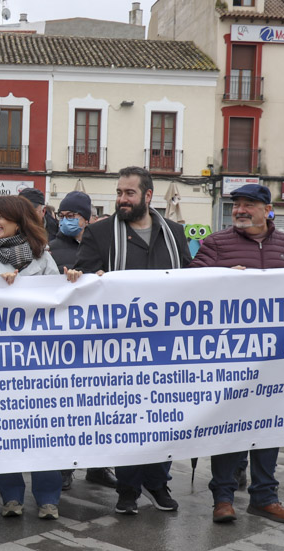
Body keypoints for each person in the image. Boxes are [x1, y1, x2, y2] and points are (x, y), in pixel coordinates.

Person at [74, 167, 191, 515]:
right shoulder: (99, 232)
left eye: (129, 193)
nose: (122, 199)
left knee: (163, 417)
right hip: (120, 347)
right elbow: (82, 280)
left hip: (166, 345)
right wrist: (91, 279)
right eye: (119, 192)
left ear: (148, 196)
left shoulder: (174, 233)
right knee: (125, 419)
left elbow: (192, 280)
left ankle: (157, 483)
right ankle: (127, 489)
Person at [189, 183, 284, 524]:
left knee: (269, 426)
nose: (239, 209)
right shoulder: (216, 244)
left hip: (274, 357)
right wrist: (221, 276)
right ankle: (223, 498)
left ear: (268, 210)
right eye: (236, 203)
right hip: (230, 355)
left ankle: (265, 497)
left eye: (248, 204)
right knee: (227, 426)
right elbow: (190, 283)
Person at [0, 195, 63, 519]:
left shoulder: (44, 258)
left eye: (2, 217)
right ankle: (11, 496)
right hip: (2, 359)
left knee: (44, 429)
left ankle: (48, 498)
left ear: (19, 221)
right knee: (6, 427)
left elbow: (59, 301)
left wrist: (71, 280)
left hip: (40, 359)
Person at [48, 190, 115, 490]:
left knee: (99, 408)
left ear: (86, 219)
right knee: (66, 409)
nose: (65, 220)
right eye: (62, 215)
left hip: (98, 338)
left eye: (72, 216)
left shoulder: (103, 247)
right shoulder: (51, 249)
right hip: (64, 340)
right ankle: (63, 469)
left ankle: (98, 467)